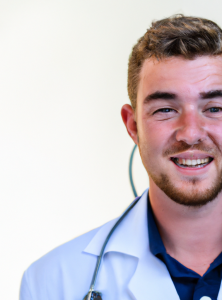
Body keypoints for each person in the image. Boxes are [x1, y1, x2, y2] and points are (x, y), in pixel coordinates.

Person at [20, 15, 222, 300]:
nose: (190, 134)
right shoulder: (54, 282)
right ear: (133, 126)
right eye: (165, 109)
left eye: (214, 108)